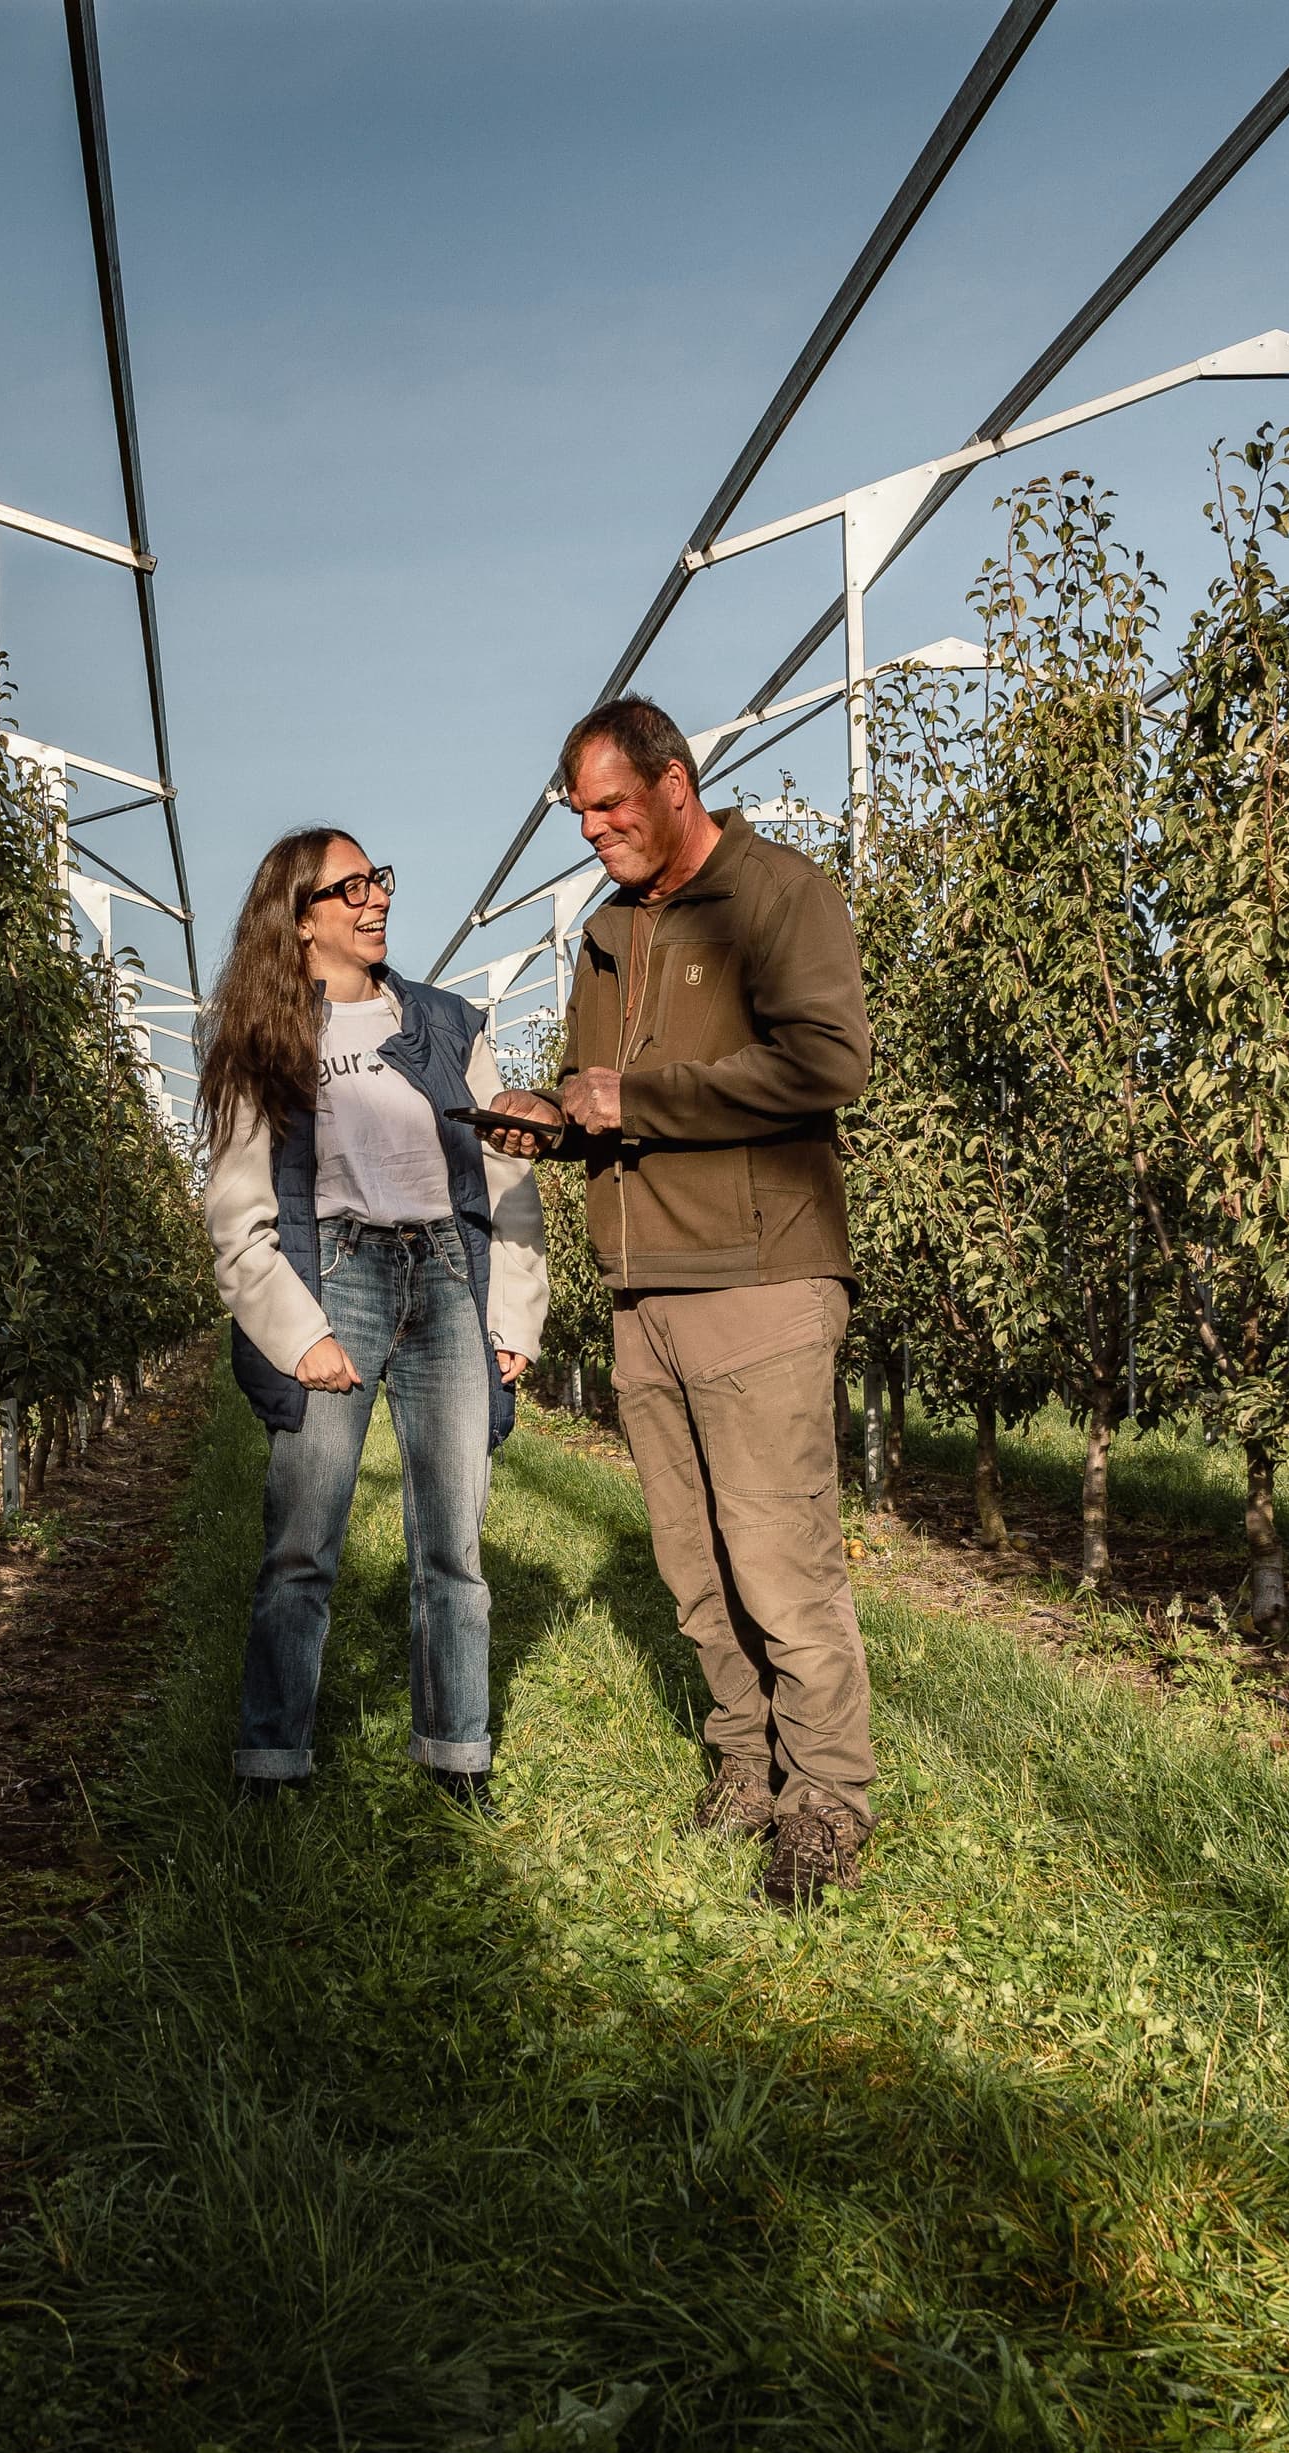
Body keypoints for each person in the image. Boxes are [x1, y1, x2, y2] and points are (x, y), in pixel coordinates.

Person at [487, 699, 876, 1902]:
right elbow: (595, 1093)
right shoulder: (605, 934)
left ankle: (825, 1801)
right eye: (581, 813)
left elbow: (828, 1061)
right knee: (695, 1563)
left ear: (675, 783)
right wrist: (550, 1120)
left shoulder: (776, 895)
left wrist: (637, 1099)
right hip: (641, 1288)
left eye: (612, 806)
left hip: (757, 1277)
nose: (595, 830)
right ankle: (743, 1766)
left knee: (778, 1554)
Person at [201, 828, 549, 1808]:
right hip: (335, 1276)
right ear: (298, 917)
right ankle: (272, 1765)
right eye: (348, 887)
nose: (375, 899)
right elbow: (237, 1212)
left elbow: (507, 1172)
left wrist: (514, 1306)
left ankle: (457, 1755)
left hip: (445, 1274)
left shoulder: (446, 1024)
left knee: (455, 1540)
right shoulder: (263, 1041)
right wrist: (294, 1329)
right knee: (304, 1538)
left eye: (377, 879)